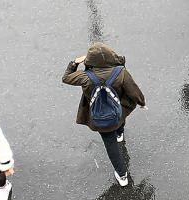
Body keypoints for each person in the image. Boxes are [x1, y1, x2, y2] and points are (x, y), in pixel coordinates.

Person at [62, 43, 147, 187]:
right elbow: (133, 90)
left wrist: (74, 62)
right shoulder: (120, 72)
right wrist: (142, 102)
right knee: (120, 116)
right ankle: (120, 133)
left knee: (111, 146)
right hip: (117, 111)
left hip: (100, 117)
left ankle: (122, 175)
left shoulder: (85, 77)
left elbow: (66, 78)